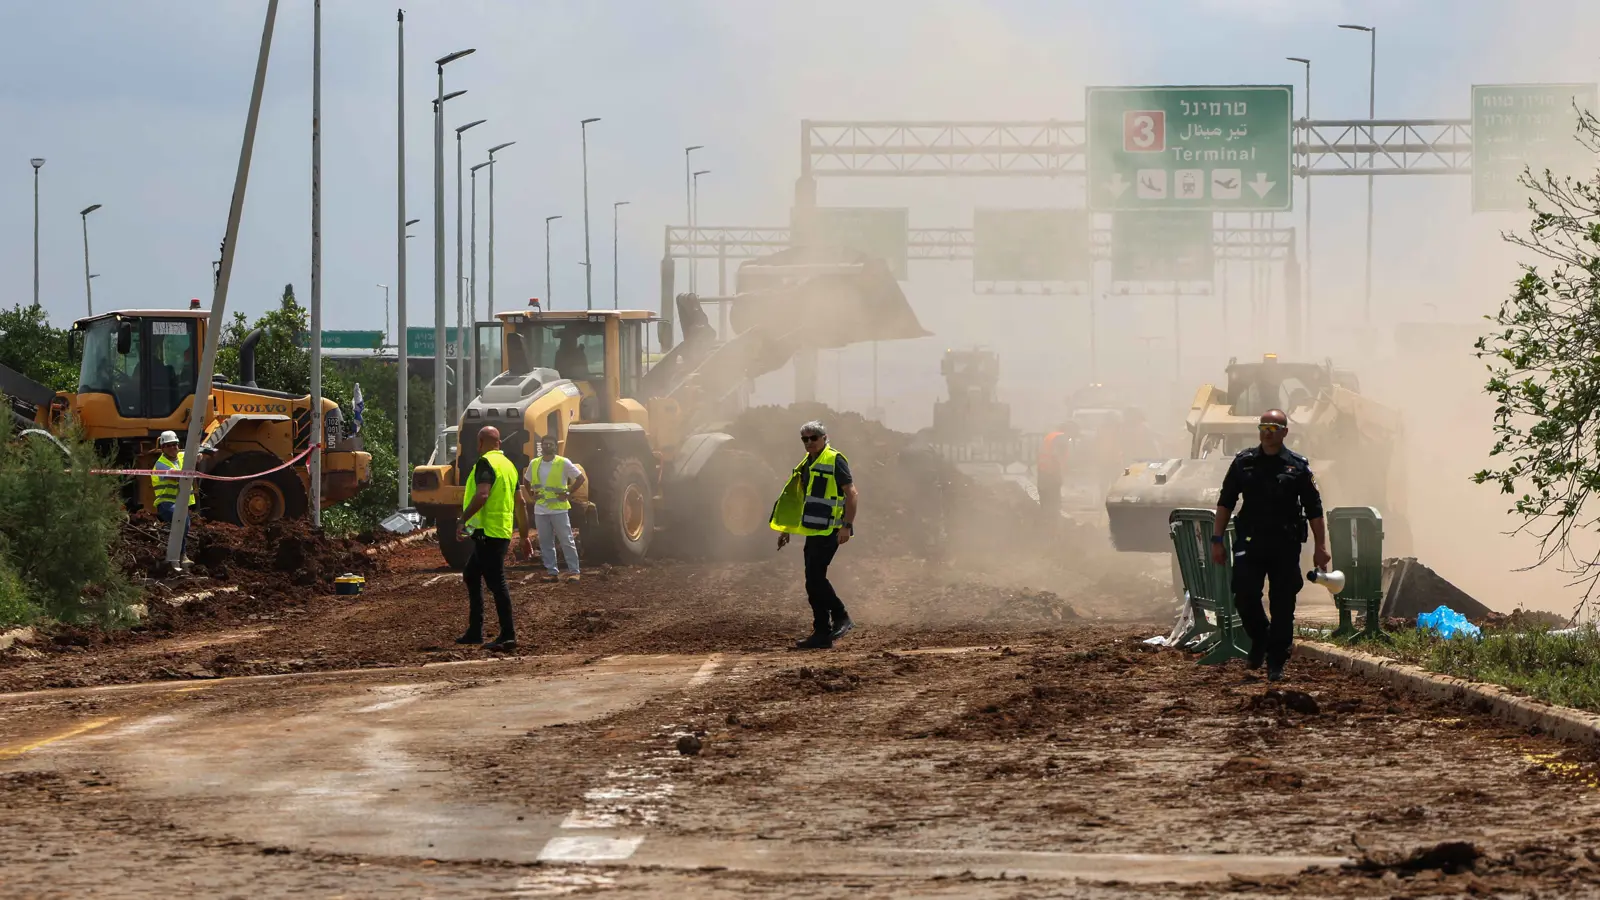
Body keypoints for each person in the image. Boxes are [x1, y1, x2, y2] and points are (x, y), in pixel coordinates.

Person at [1211, 409, 1330, 682]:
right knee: (1243, 594)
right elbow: (1225, 502)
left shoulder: (1298, 466)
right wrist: (1217, 539)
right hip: (1250, 543)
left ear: (1285, 432)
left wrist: (1321, 547)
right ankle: (1260, 638)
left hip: (1284, 546)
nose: (1268, 432)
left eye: (1274, 427)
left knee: (1283, 604)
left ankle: (1276, 661)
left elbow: (1314, 509)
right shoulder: (1244, 463)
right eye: (1264, 426)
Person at [770, 420, 859, 650]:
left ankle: (839, 617)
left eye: (813, 438)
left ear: (824, 437)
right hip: (814, 529)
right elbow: (800, 500)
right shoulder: (808, 462)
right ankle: (822, 631)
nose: (809, 442)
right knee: (812, 580)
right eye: (805, 439)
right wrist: (787, 529)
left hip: (831, 529)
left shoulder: (834, 459)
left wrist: (847, 526)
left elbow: (851, 493)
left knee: (815, 578)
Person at [457, 426, 521, 651]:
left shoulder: (485, 464)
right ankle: (475, 631)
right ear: (499, 443)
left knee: (497, 583)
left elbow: (482, 494)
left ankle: (508, 635)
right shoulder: (510, 467)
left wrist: (462, 520)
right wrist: (524, 535)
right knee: (471, 574)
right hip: (500, 531)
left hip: (488, 533)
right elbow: (520, 502)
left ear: (480, 442)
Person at [519, 433, 585, 584]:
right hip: (541, 509)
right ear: (541, 446)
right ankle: (552, 572)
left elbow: (580, 478)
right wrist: (530, 495)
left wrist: (568, 492)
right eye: (545, 444)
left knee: (566, 540)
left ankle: (574, 572)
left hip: (559, 509)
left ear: (555, 446)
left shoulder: (563, 462)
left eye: (550, 444)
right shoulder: (534, 463)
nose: (547, 446)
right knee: (545, 542)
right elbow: (526, 480)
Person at [151, 430, 204, 567]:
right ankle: (180, 555)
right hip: (166, 503)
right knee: (182, 521)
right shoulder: (161, 464)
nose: (173, 448)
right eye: (169, 445)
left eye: (175, 444)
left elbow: (198, 456)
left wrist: (199, 455)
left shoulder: (182, 456)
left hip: (181, 502)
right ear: (163, 448)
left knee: (183, 525)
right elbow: (176, 476)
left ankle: (177, 556)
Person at [1035, 428, 1069, 519]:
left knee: (1044, 496)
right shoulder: (1061, 438)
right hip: (1051, 470)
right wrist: (1060, 473)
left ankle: (1044, 519)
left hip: (1043, 468)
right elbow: (1057, 456)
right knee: (1053, 500)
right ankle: (1052, 521)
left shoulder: (1052, 436)